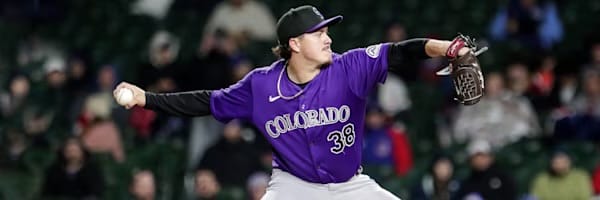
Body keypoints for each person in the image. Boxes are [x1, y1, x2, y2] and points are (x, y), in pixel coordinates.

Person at [114, 5, 480, 200]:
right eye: (317, 33)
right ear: (294, 43)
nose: (327, 38)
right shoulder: (260, 85)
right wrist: (146, 98)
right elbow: (204, 102)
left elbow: (404, 51)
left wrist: (448, 48)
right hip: (293, 187)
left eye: (326, 31)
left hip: (350, 186)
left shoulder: (350, 66)